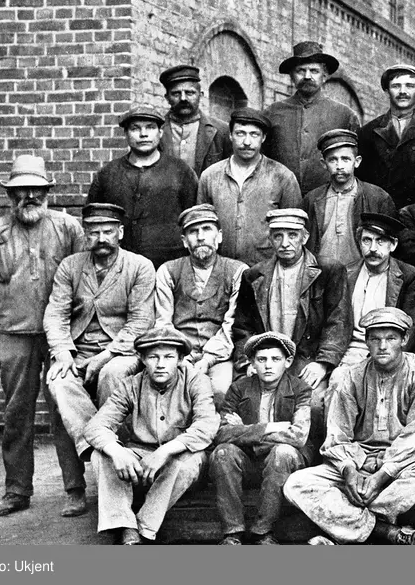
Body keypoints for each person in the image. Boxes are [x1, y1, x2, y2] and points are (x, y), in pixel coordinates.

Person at [0, 156, 87, 518]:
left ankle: (75, 488)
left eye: (35, 189)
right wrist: (10, 314)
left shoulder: (68, 228)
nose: (29, 196)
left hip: (61, 337)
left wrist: (67, 330)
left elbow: (81, 280)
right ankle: (16, 491)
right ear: (11, 194)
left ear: (46, 191)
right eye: (21, 190)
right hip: (15, 336)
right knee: (16, 413)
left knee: (65, 411)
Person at [284, 308, 415, 546]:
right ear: (366, 341)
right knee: (296, 484)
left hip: (403, 463)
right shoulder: (352, 375)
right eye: (375, 339)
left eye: (391, 338)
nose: (383, 346)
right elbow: (338, 433)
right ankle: (385, 531)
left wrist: (381, 475)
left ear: (404, 340)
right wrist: (349, 472)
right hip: (357, 461)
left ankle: (341, 529)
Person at [231, 208, 350, 459]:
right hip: (267, 359)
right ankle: (257, 460)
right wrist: (247, 361)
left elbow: (338, 321)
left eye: (292, 235)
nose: (285, 243)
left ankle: (310, 460)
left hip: (307, 359)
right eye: (278, 236)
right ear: (270, 239)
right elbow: (242, 326)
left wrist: (323, 363)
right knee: (242, 401)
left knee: (316, 404)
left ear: (305, 237)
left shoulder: (328, 271)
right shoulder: (254, 275)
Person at [83, 326, 218, 544]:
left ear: (181, 358)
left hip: (180, 460)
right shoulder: (131, 385)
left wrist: (166, 450)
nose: (161, 364)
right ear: (142, 359)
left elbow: (207, 425)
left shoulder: (196, 381)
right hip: (141, 461)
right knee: (101, 455)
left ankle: (145, 528)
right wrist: (116, 451)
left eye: (169, 357)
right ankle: (126, 526)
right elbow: (95, 426)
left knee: (185, 463)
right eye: (153, 357)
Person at [44, 203, 154, 460]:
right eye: (93, 233)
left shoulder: (140, 267)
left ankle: (111, 439)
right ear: (85, 234)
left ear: (121, 233)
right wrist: (62, 352)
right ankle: (95, 445)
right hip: (78, 349)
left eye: (108, 231)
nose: (101, 238)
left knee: (111, 374)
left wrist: (106, 355)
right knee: (58, 381)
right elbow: (56, 312)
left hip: (122, 351)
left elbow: (140, 321)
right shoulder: (71, 266)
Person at [210, 331, 311, 545]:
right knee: (223, 452)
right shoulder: (239, 388)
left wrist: (245, 431)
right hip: (248, 462)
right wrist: (269, 428)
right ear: (252, 363)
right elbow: (221, 433)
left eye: (275, 359)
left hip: (282, 465)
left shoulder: (300, 389)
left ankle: (262, 532)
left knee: (282, 452)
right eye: (261, 359)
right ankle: (233, 532)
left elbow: (299, 436)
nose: (268, 366)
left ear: (288, 361)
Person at [153, 204, 248, 404]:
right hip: (178, 354)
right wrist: (181, 357)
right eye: (193, 231)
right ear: (185, 241)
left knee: (220, 391)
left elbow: (232, 324)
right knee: (169, 395)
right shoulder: (168, 271)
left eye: (207, 229)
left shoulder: (237, 271)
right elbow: (163, 323)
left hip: (219, 357)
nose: (201, 237)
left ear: (219, 236)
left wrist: (207, 359)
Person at [87, 105, 198, 269]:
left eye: (150, 128)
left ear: (160, 133)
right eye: (135, 129)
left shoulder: (181, 171)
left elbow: (193, 220)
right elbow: (93, 219)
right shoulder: (108, 174)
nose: (143, 134)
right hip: (119, 267)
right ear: (126, 134)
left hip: (168, 266)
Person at [198, 107, 303, 266]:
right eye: (240, 133)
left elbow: (295, 230)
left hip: (266, 270)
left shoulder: (283, 177)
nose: (247, 142)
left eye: (254, 134)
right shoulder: (209, 176)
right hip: (220, 269)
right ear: (230, 135)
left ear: (263, 138)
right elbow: (202, 225)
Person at [336, 213, 415, 378]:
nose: (373, 249)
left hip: (389, 352)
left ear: (393, 245)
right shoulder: (346, 274)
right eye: (367, 240)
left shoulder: (410, 276)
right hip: (349, 352)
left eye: (381, 241)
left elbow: (412, 328)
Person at [264, 41, 359, 195]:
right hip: (279, 197)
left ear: (325, 76)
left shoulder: (345, 115)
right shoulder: (272, 113)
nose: (307, 76)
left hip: (329, 199)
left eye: (314, 71)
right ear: (291, 76)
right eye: (301, 71)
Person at [356, 63, 415, 209]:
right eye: (396, 86)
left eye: (409, 86)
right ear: (387, 92)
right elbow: (361, 181)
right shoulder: (367, 133)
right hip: (378, 213)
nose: (403, 91)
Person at [302, 128, 397, 269]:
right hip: (321, 276)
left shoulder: (378, 197)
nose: (339, 166)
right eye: (333, 160)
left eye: (345, 159)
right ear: (323, 164)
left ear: (357, 161)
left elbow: (389, 246)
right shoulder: (312, 199)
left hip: (362, 275)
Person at [158, 64, 232, 177]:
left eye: (190, 93)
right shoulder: (156, 130)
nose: (183, 98)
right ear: (167, 98)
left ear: (200, 95)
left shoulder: (222, 130)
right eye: (176, 93)